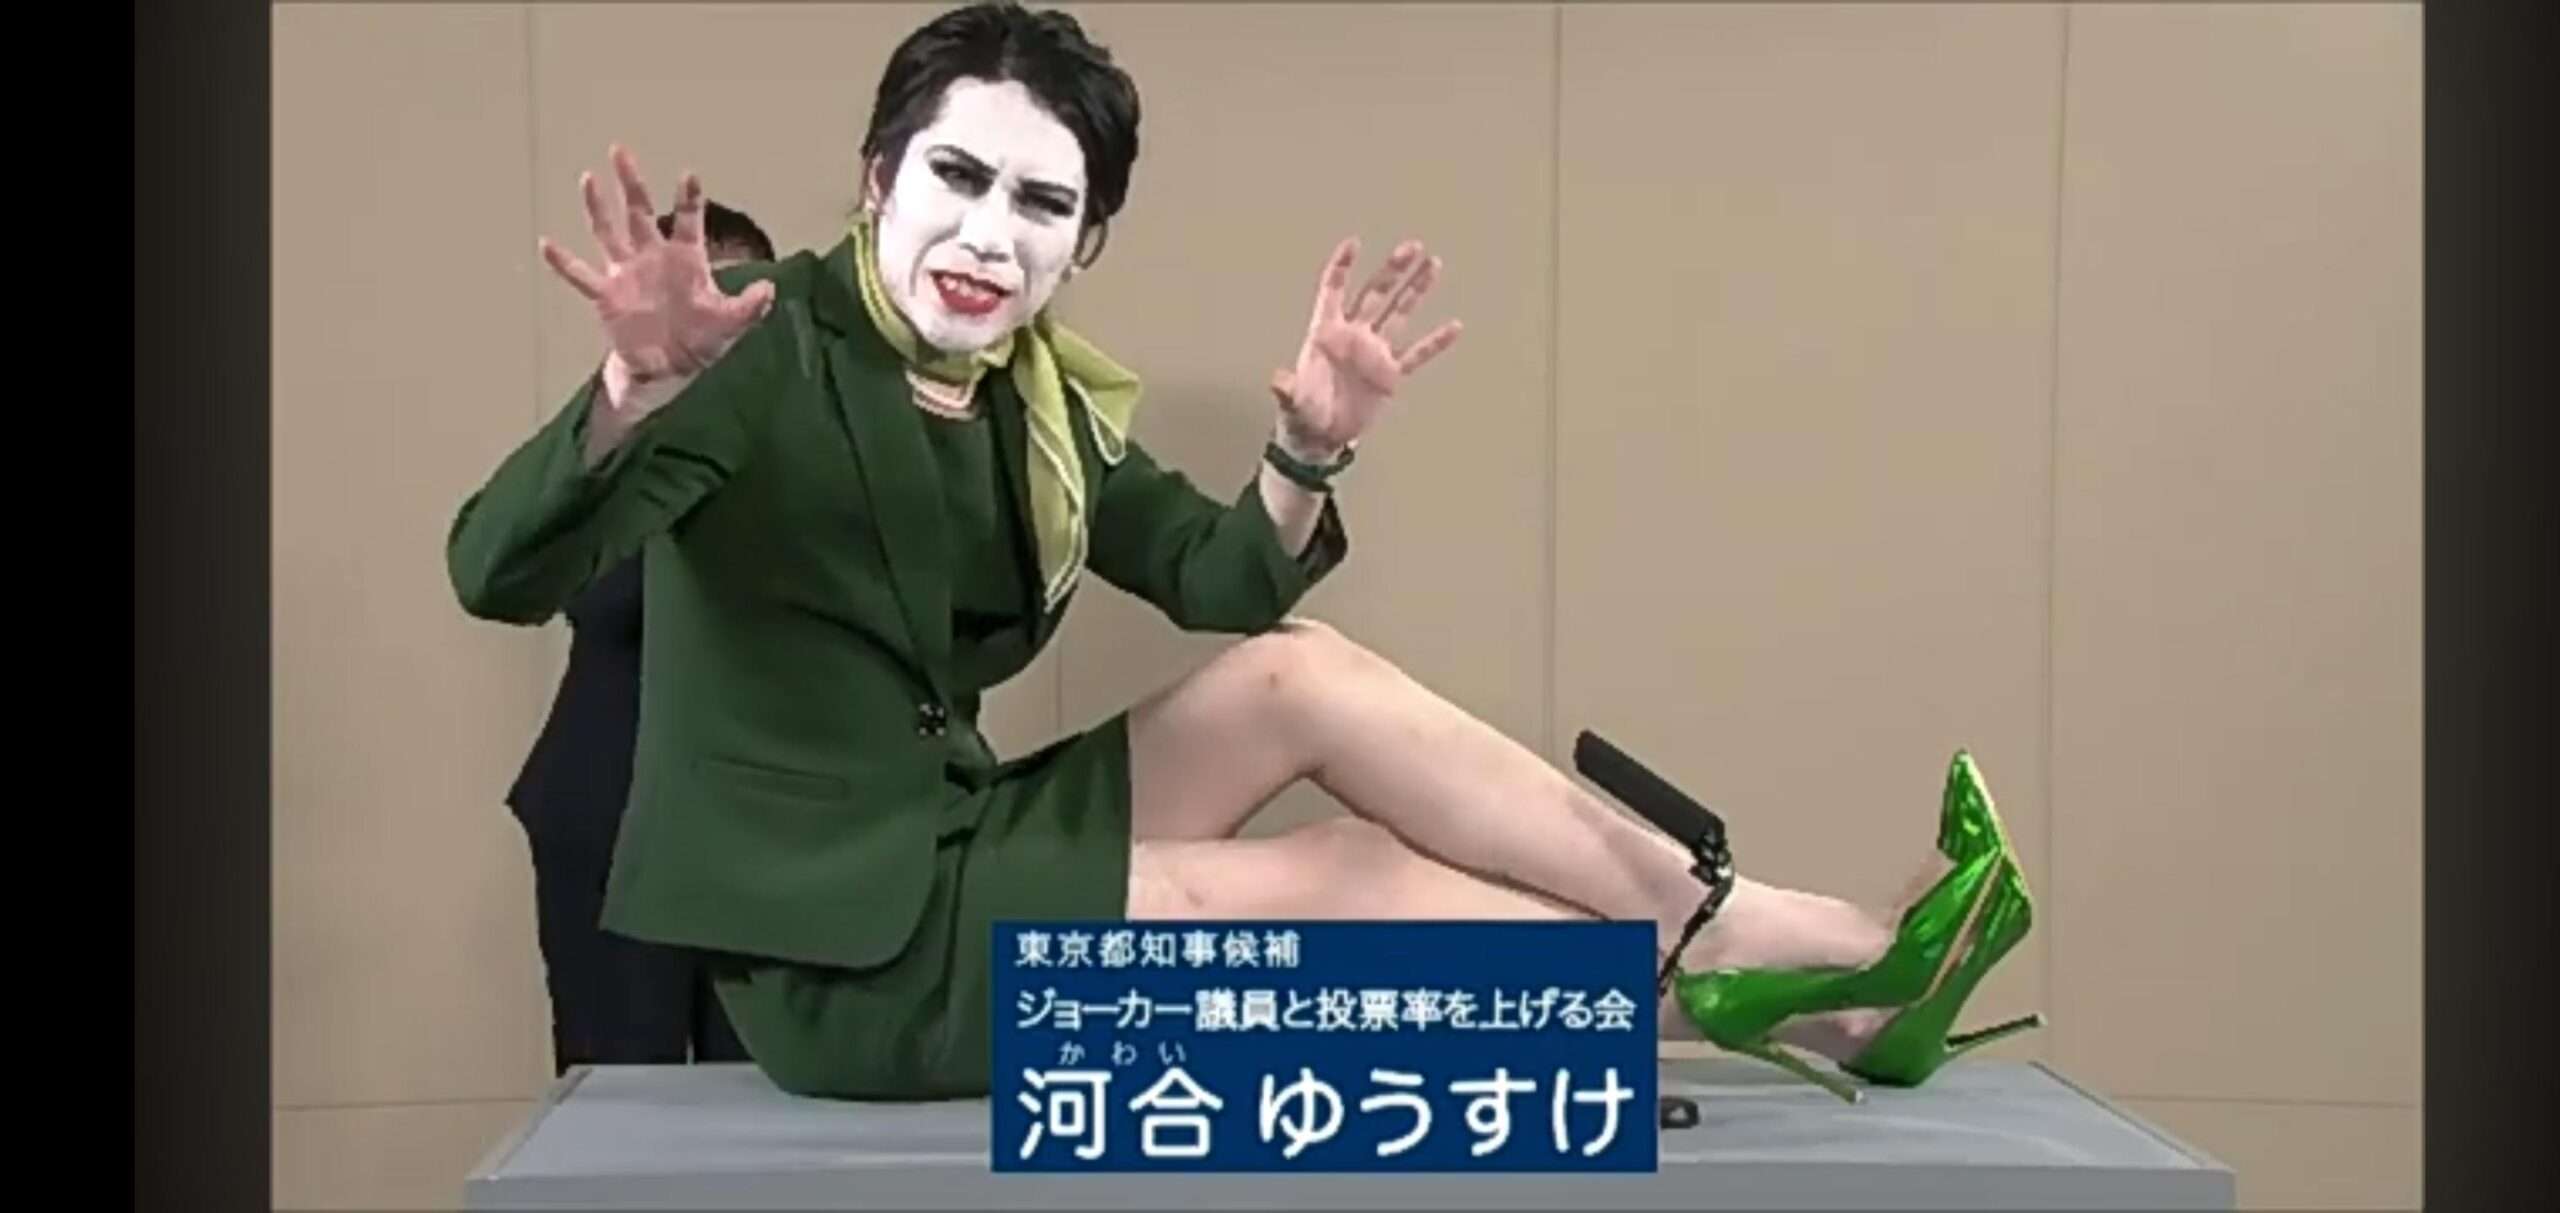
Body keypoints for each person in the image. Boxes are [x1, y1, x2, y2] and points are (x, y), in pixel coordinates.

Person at [447, 0, 2038, 1105]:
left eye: (1041, 203)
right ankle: (1810, 980)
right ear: (878, 179)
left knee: (1299, 673)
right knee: (1343, 875)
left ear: (1084, 241)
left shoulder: (1031, 400)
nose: (989, 233)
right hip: (852, 952)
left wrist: (1309, 450)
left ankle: (1765, 935)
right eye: (956, 176)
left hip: (947, 837)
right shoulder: (761, 349)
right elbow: (494, 570)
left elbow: (1220, 580)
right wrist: (632, 390)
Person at [505, 202, 777, 1075]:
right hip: (613, 813)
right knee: (619, 1089)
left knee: (764, 1096)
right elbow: (588, 591)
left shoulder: (806, 434)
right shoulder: (609, 433)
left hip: (768, 829)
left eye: (733, 295)